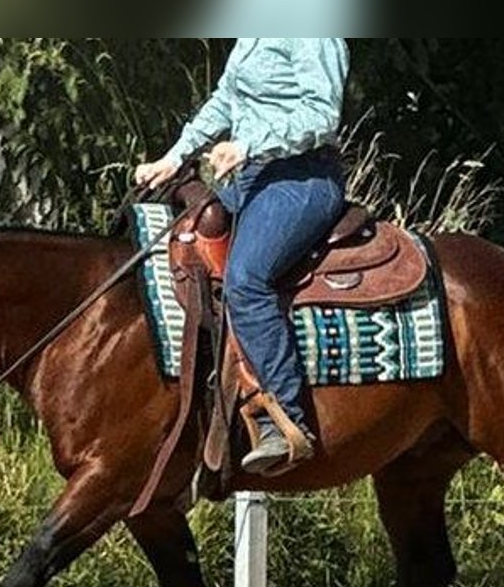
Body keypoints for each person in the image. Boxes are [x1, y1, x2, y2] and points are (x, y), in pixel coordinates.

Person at [135, 37, 349, 475]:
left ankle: (288, 419)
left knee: (246, 280)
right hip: (249, 178)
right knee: (182, 247)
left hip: (302, 177)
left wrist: (250, 145)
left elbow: (322, 113)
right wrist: (174, 158)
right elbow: (226, 100)